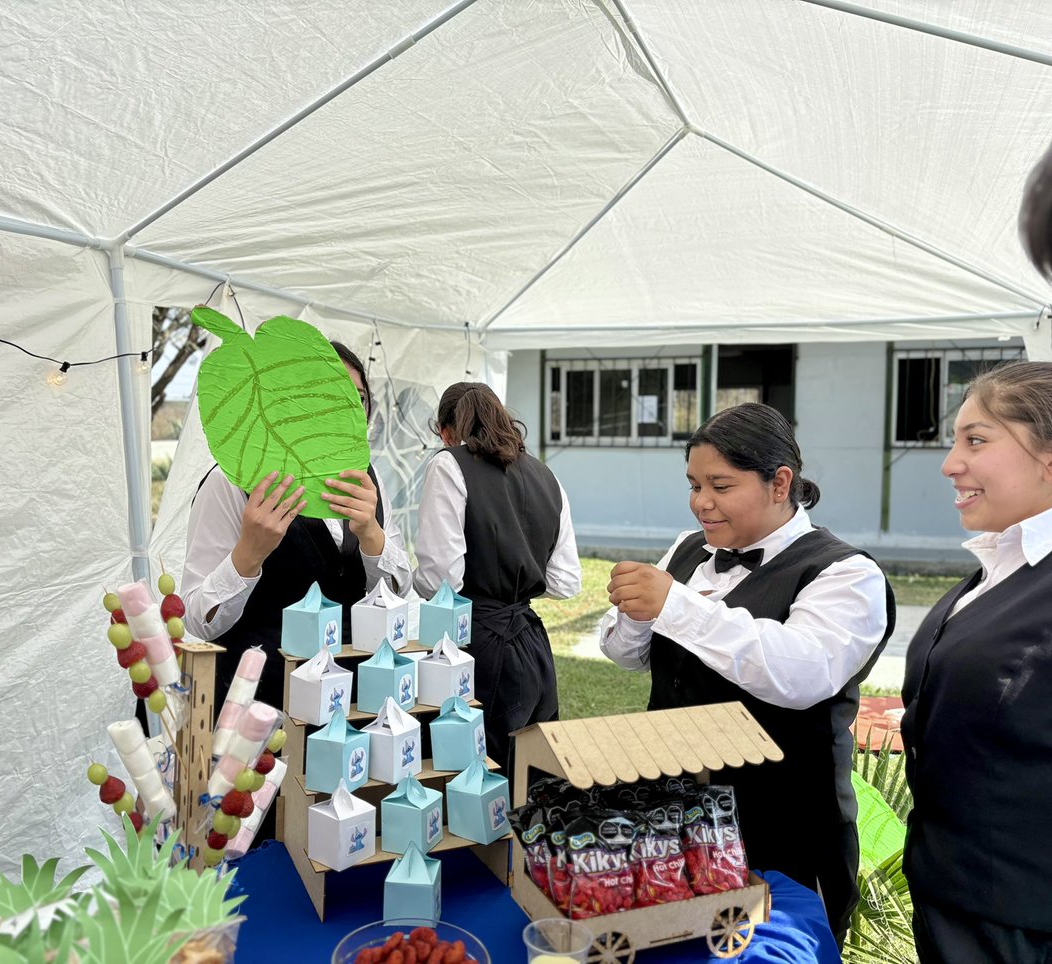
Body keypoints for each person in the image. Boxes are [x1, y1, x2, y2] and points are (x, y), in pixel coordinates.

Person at [599, 402, 894, 945]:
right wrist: (635, 614)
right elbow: (628, 655)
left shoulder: (846, 573)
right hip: (676, 814)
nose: (701, 503)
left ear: (780, 483)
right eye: (694, 486)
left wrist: (678, 606)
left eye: (720, 486)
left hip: (783, 826)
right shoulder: (688, 550)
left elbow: (801, 674)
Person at [900, 363, 1052, 964]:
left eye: (977, 440)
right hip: (954, 895)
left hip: (1024, 918)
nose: (950, 463)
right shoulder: (1001, 565)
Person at [182, 342, 413, 713]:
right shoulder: (232, 482)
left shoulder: (367, 479)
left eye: (357, 398)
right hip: (262, 707)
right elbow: (197, 620)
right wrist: (249, 554)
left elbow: (398, 594)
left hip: (351, 702)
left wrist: (371, 534)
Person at [415, 382, 581, 777]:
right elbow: (565, 581)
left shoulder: (448, 464)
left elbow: (441, 579)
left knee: (476, 775)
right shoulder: (546, 475)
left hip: (477, 644)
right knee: (532, 773)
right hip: (533, 644)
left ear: (445, 431)